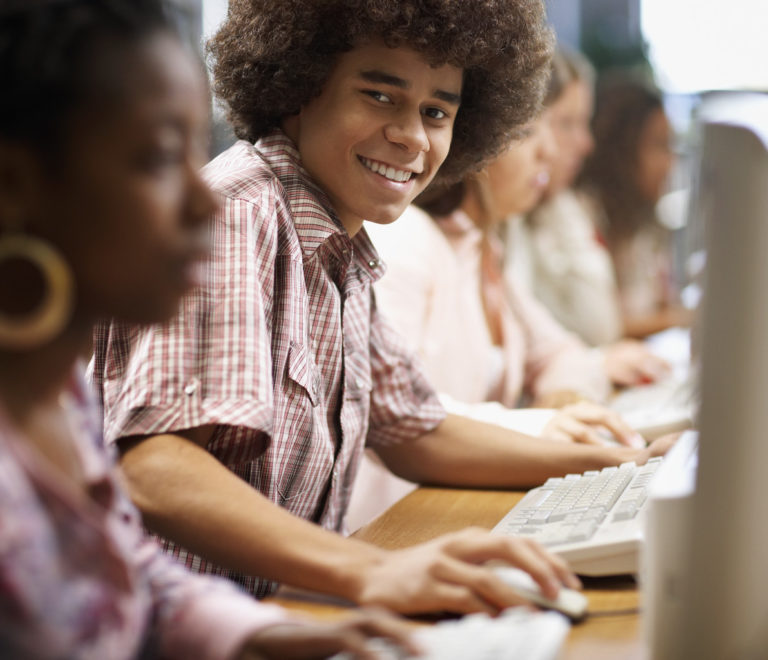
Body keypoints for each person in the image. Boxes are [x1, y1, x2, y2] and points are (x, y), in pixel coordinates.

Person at [91, 0, 674, 616]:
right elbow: (156, 468)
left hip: (272, 621)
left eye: (436, 111)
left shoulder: (339, 240)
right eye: (379, 96)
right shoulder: (240, 215)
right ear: (299, 85)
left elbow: (416, 431)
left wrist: (621, 464)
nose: (413, 136)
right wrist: (370, 571)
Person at [0, 1, 421, 657]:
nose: (202, 199)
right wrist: (369, 571)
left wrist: (265, 634)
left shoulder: (59, 396)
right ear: (14, 186)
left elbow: (136, 577)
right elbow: (160, 472)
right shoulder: (246, 204)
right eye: (161, 158)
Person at [576, 71, 690, 339]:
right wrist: (687, 317)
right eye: (659, 146)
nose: (670, 163)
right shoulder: (580, 215)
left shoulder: (645, 224)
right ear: (621, 149)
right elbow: (603, 327)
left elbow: (662, 304)